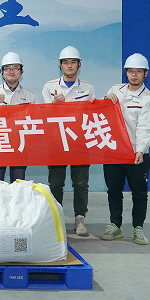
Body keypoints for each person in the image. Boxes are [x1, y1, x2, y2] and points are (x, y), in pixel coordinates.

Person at [101, 53, 150, 245]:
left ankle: (138, 228)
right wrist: (105, 99)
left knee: (139, 192)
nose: (134, 75)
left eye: (138, 72)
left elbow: (145, 127)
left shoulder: (148, 99)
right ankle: (115, 225)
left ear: (145, 74)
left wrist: (140, 150)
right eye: (130, 71)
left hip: (135, 154)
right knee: (113, 190)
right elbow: (103, 113)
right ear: (126, 72)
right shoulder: (115, 90)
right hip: (114, 151)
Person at [42, 46, 95, 236]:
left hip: (80, 143)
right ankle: (56, 219)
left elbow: (94, 115)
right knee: (56, 183)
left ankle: (80, 219)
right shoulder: (49, 87)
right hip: (57, 143)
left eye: (73, 62)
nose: (69, 65)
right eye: (65, 62)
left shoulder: (88, 88)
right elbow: (44, 116)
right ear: (60, 65)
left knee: (81, 184)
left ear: (79, 65)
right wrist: (54, 105)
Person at [0, 52, 37, 183]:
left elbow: (35, 119)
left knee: (18, 182)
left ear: (21, 71)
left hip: (20, 143)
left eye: (15, 68)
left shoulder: (30, 96)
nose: (11, 71)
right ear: (2, 72)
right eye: (7, 68)